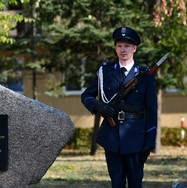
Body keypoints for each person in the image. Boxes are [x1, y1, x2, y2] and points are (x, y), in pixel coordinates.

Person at [81, 26, 158, 188]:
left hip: (136, 136)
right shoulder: (105, 71)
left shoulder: (145, 75)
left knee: (136, 182)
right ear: (115, 48)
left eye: (127, 46)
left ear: (134, 48)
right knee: (116, 182)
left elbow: (152, 110)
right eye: (120, 46)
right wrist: (99, 106)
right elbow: (86, 95)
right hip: (112, 136)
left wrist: (149, 142)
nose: (123, 50)